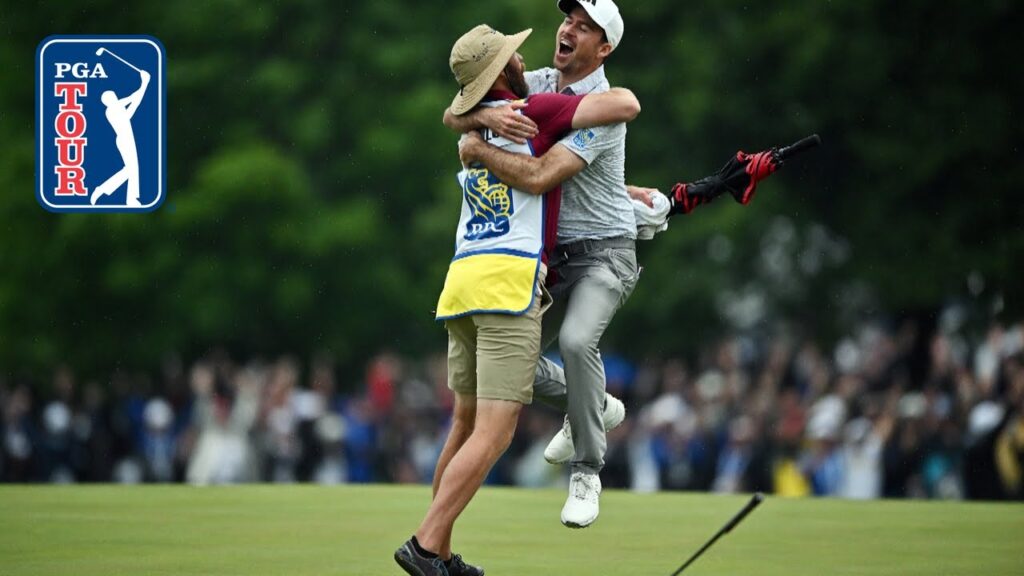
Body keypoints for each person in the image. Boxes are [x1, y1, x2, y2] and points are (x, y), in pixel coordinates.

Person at [395, 24, 640, 576]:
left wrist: (476, 127)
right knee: (494, 431)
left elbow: (452, 118)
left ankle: (440, 549)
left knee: (463, 424)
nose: (522, 55)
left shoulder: (470, 124)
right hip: (509, 285)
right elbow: (624, 104)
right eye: (511, 54)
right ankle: (424, 547)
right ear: (503, 71)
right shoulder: (542, 107)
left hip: (460, 282)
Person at [446, 0, 637, 529]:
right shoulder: (539, 80)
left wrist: (478, 145)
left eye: (585, 27)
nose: (568, 29)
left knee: (576, 343)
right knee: (510, 367)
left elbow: (538, 177)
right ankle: (594, 404)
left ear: (604, 48)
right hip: (550, 259)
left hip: (605, 251)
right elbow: (453, 110)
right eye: (568, 20)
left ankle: (587, 471)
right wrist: (483, 115)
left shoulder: (604, 108)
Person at [91, 69, 150, 207]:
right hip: (123, 139)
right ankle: (103, 189)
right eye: (111, 97)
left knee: (132, 169)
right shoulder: (111, 110)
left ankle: (131, 199)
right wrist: (145, 82)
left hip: (128, 138)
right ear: (107, 101)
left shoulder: (119, 110)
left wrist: (144, 85)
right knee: (130, 169)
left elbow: (135, 104)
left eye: (114, 95)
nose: (114, 97)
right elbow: (131, 98)